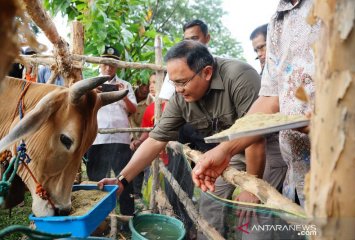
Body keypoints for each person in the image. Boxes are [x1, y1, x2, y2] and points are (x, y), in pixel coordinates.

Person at [98, 40, 263, 238]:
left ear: (207, 72)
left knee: (255, 216)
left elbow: (256, 134)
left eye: (182, 82)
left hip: (264, 148)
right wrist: (122, 180)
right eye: (173, 83)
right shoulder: (180, 97)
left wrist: (254, 188)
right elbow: (155, 140)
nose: (177, 89)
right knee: (209, 206)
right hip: (227, 152)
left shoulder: (240, 77)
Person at [192, 0, 321, 208]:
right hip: (299, 180)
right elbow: (271, 99)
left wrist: (329, 125)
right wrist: (225, 149)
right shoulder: (279, 19)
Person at [86, 45, 137, 223]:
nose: (108, 68)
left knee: (124, 180)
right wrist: (92, 94)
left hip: (121, 139)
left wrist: (123, 94)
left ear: (117, 66)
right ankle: (96, 220)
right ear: (100, 63)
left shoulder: (126, 85)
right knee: (95, 181)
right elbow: (82, 110)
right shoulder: (90, 83)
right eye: (105, 63)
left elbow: (133, 110)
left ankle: (127, 219)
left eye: (112, 64)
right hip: (97, 138)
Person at [249, 23, 287, 193]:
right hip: (268, 145)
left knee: (264, 200)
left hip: (278, 147)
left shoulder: (287, 70)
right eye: (256, 51)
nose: (260, 55)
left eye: (262, 47)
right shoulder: (265, 73)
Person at [158, 19, 211, 101]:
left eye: (194, 38)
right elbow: (167, 100)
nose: (190, 43)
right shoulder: (176, 67)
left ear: (207, 38)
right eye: (187, 40)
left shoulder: (224, 68)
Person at [129, 74, 153, 199]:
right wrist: (132, 137)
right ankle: (135, 193)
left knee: (145, 166)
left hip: (144, 138)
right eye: (143, 84)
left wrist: (139, 139)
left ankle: (148, 194)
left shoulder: (151, 103)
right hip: (130, 136)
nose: (146, 88)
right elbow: (128, 119)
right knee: (134, 165)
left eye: (148, 85)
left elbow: (149, 124)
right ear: (138, 83)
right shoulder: (128, 95)